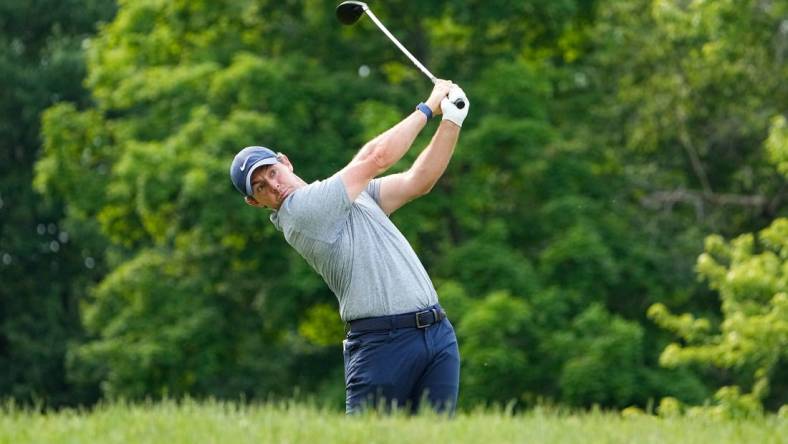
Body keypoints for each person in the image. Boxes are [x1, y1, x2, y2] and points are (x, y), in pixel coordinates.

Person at [229, 80, 469, 414]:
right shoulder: (300, 212)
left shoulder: (345, 196)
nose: (274, 186)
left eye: (271, 172)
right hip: (382, 346)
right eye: (261, 186)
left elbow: (418, 181)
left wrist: (451, 121)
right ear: (255, 203)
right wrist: (428, 107)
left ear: (286, 161)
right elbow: (377, 156)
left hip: (436, 333)